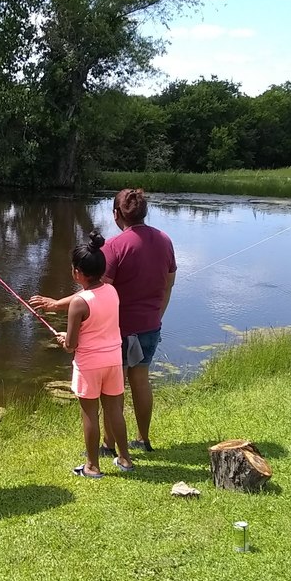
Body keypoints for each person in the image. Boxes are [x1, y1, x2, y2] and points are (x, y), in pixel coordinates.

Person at [32, 188, 176, 453]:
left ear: (116, 214)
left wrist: (56, 304)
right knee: (141, 379)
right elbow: (168, 284)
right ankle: (143, 439)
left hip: (118, 332)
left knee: (113, 391)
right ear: (144, 212)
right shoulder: (164, 240)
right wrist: (158, 316)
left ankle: (109, 445)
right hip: (151, 325)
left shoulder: (115, 247)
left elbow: (93, 294)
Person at [57, 231, 134, 478]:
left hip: (90, 365)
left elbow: (71, 345)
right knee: (115, 411)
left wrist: (63, 339)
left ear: (77, 272)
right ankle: (125, 458)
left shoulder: (79, 302)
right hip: (113, 360)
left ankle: (92, 466)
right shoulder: (112, 290)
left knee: (90, 414)